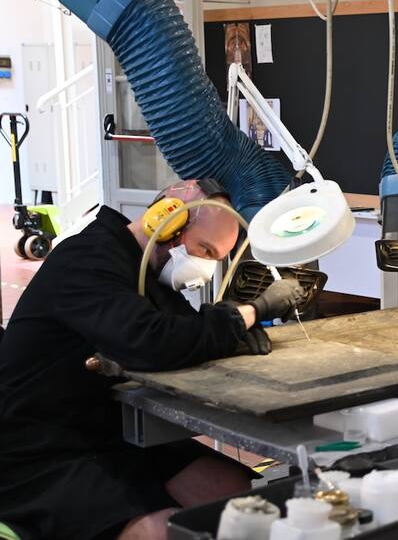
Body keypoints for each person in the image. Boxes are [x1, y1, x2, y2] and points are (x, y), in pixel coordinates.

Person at [0, 179, 306, 540]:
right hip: (36, 451)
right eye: (205, 251)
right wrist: (251, 312)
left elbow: (184, 331)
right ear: (169, 222)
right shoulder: (87, 260)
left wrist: (230, 335)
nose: (205, 268)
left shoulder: (146, 276)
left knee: (232, 490)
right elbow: (150, 340)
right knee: (160, 531)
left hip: (107, 437)